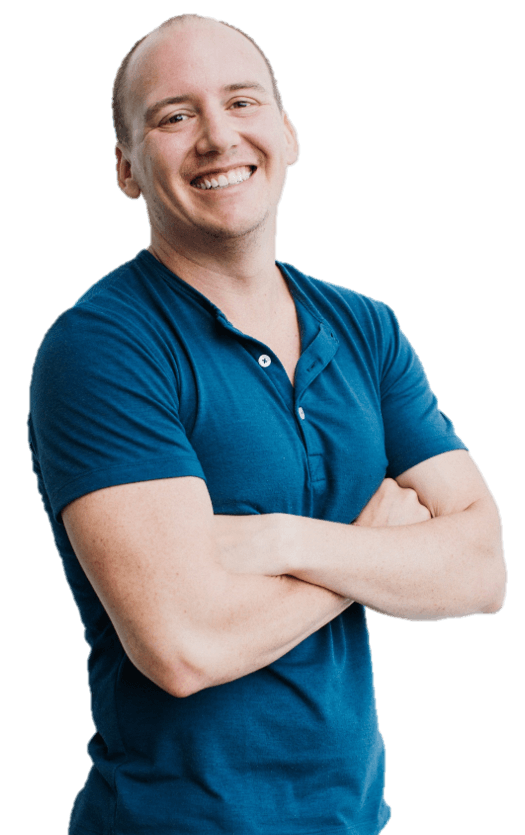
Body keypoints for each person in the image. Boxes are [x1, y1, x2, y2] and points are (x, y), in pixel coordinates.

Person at [27, 12, 507, 835]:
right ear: (127, 169)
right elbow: (183, 646)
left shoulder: (364, 328)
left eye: (242, 102)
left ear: (287, 133)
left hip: (352, 819)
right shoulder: (102, 347)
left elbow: (481, 569)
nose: (218, 136)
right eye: (174, 115)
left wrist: (284, 540)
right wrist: (369, 548)